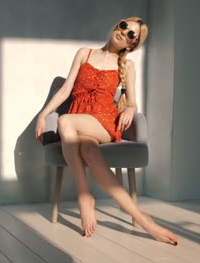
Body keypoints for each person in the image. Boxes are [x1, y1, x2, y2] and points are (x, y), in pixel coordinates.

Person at [35, 17, 180, 246]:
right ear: (116, 26)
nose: (124, 33)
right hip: (80, 117)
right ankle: (144, 221)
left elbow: (132, 102)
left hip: (103, 121)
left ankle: (84, 196)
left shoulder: (128, 66)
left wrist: (130, 111)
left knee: (65, 122)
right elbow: (65, 90)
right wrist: (42, 115)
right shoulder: (85, 53)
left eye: (131, 34)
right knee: (89, 152)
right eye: (124, 26)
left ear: (132, 45)